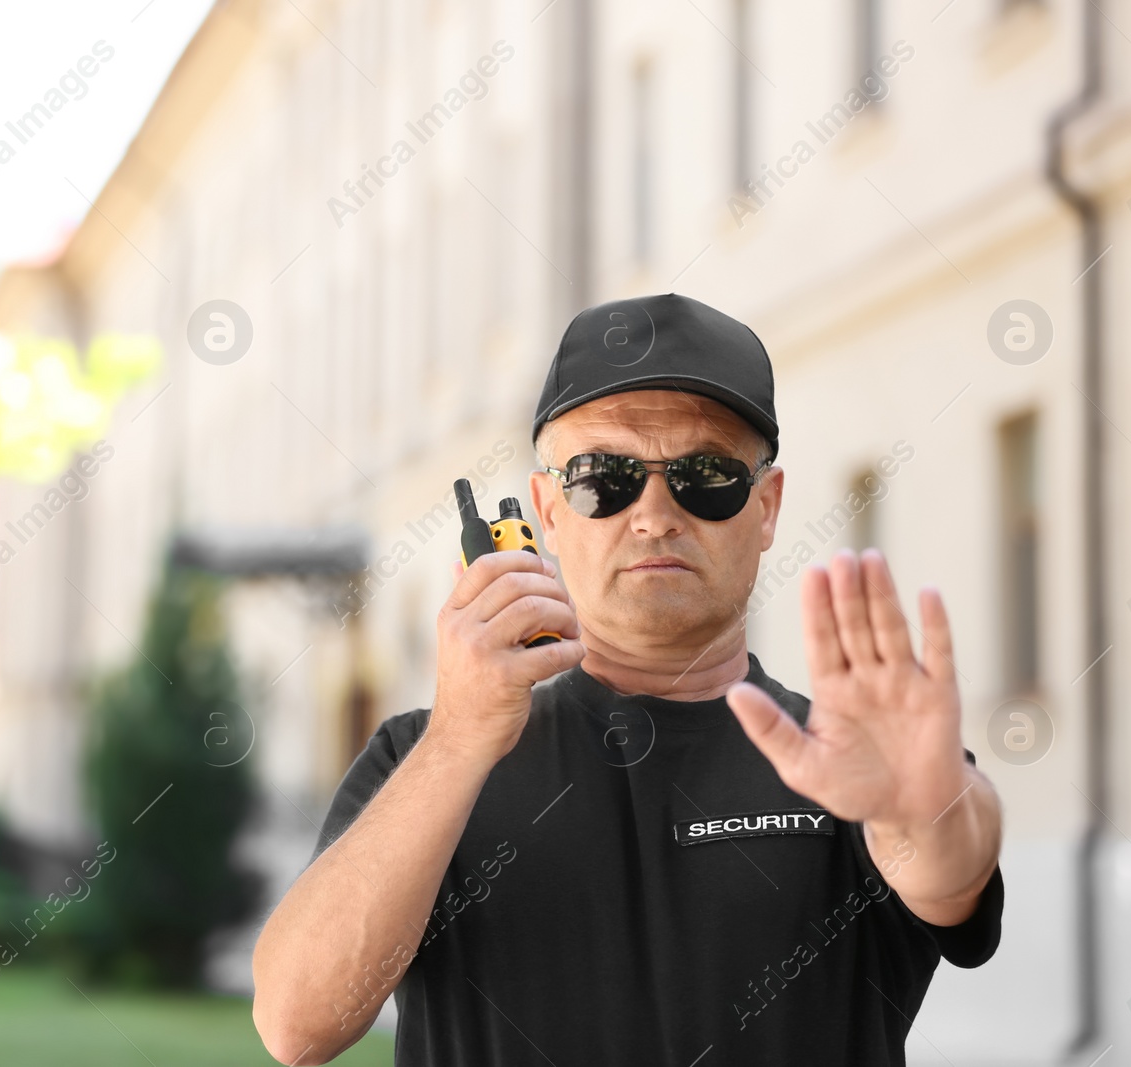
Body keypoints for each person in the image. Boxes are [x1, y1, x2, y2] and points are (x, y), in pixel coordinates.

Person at [252, 293, 1004, 1066]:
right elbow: (296, 1024)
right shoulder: (422, 759)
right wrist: (459, 741)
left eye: (704, 474)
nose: (652, 514)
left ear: (768, 507)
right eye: (601, 476)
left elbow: (950, 870)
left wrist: (929, 801)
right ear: (547, 509)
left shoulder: (856, 758)